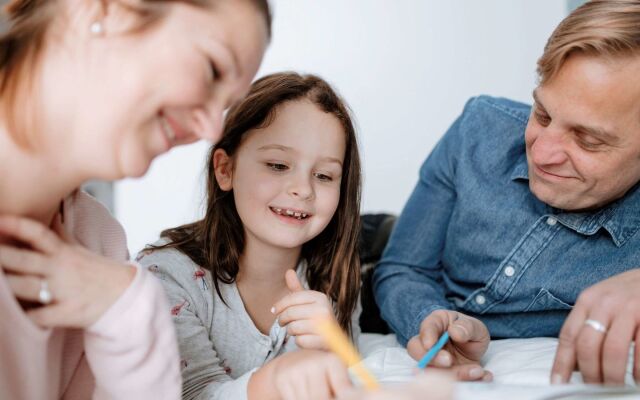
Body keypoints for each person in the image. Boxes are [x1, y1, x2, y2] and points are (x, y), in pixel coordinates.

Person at [0, 0, 270, 398]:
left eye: (226, 104)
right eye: (212, 68)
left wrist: (132, 316)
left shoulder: (100, 243)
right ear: (101, 10)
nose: (212, 127)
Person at [373, 0, 640, 386]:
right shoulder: (478, 129)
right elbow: (404, 267)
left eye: (587, 140)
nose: (543, 154)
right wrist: (427, 315)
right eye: (543, 115)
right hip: (372, 248)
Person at [137, 72, 363, 400]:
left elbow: (354, 384)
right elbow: (193, 394)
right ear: (225, 170)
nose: (302, 189)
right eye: (277, 165)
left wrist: (333, 350)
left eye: (324, 175)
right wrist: (276, 381)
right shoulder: (167, 277)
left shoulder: (336, 275)